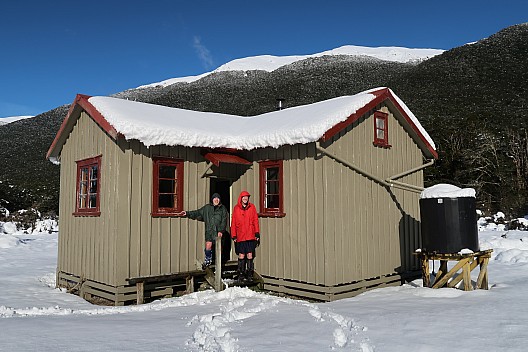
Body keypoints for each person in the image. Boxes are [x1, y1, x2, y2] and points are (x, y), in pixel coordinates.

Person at [180, 193, 228, 269]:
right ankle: (208, 260)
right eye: (215, 198)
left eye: (218, 198)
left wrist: (221, 231)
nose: (216, 200)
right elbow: (197, 212)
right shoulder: (207, 208)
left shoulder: (223, 209)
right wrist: (187, 213)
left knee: (219, 248)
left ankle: (219, 262)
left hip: (219, 231)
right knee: (208, 246)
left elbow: (224, 221)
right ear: (212, 200)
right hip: (209, 231)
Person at [231, 190, 260, 282]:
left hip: (250, 235)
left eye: (247, 197)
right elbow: (234, 222)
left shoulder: (252, 207)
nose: (245, 199)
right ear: (241, 198)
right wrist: (234, 235)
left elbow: (255, 220)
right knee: (241, 255)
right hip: (241, 235)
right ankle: (240, 274)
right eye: (244, 197)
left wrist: (257, 233)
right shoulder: (236, 208)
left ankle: (250, 274)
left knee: (250, 255)